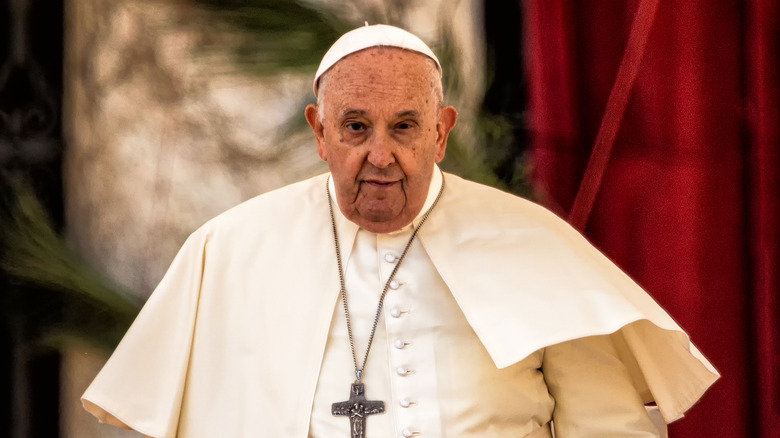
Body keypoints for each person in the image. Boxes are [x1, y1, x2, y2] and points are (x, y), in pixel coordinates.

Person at [82, 24, 718, 438]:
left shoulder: (533, 248)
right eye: (356, 127)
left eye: (405, 127)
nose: (381, 155)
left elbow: (608, 429)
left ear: (442, 131)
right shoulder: (228, 254)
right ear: (319, 131)